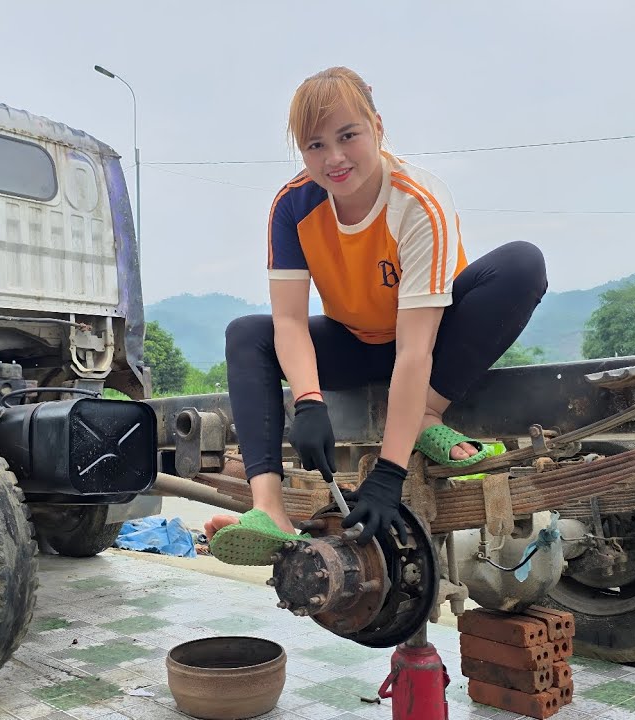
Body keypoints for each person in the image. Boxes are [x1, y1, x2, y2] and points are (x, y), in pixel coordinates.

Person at [205, 67, 549, 565]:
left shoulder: (417, 203)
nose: (334, 158)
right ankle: (269, 510)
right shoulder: (292, 206)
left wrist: (389, 473)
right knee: (246, 333)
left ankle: (426, 415)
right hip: (355, 341)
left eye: (348, 136)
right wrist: (308, 402)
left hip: (432, 342)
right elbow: (290, 322)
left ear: (377, 127)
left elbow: (415, 351)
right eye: (316, 145)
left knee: (522, 263)